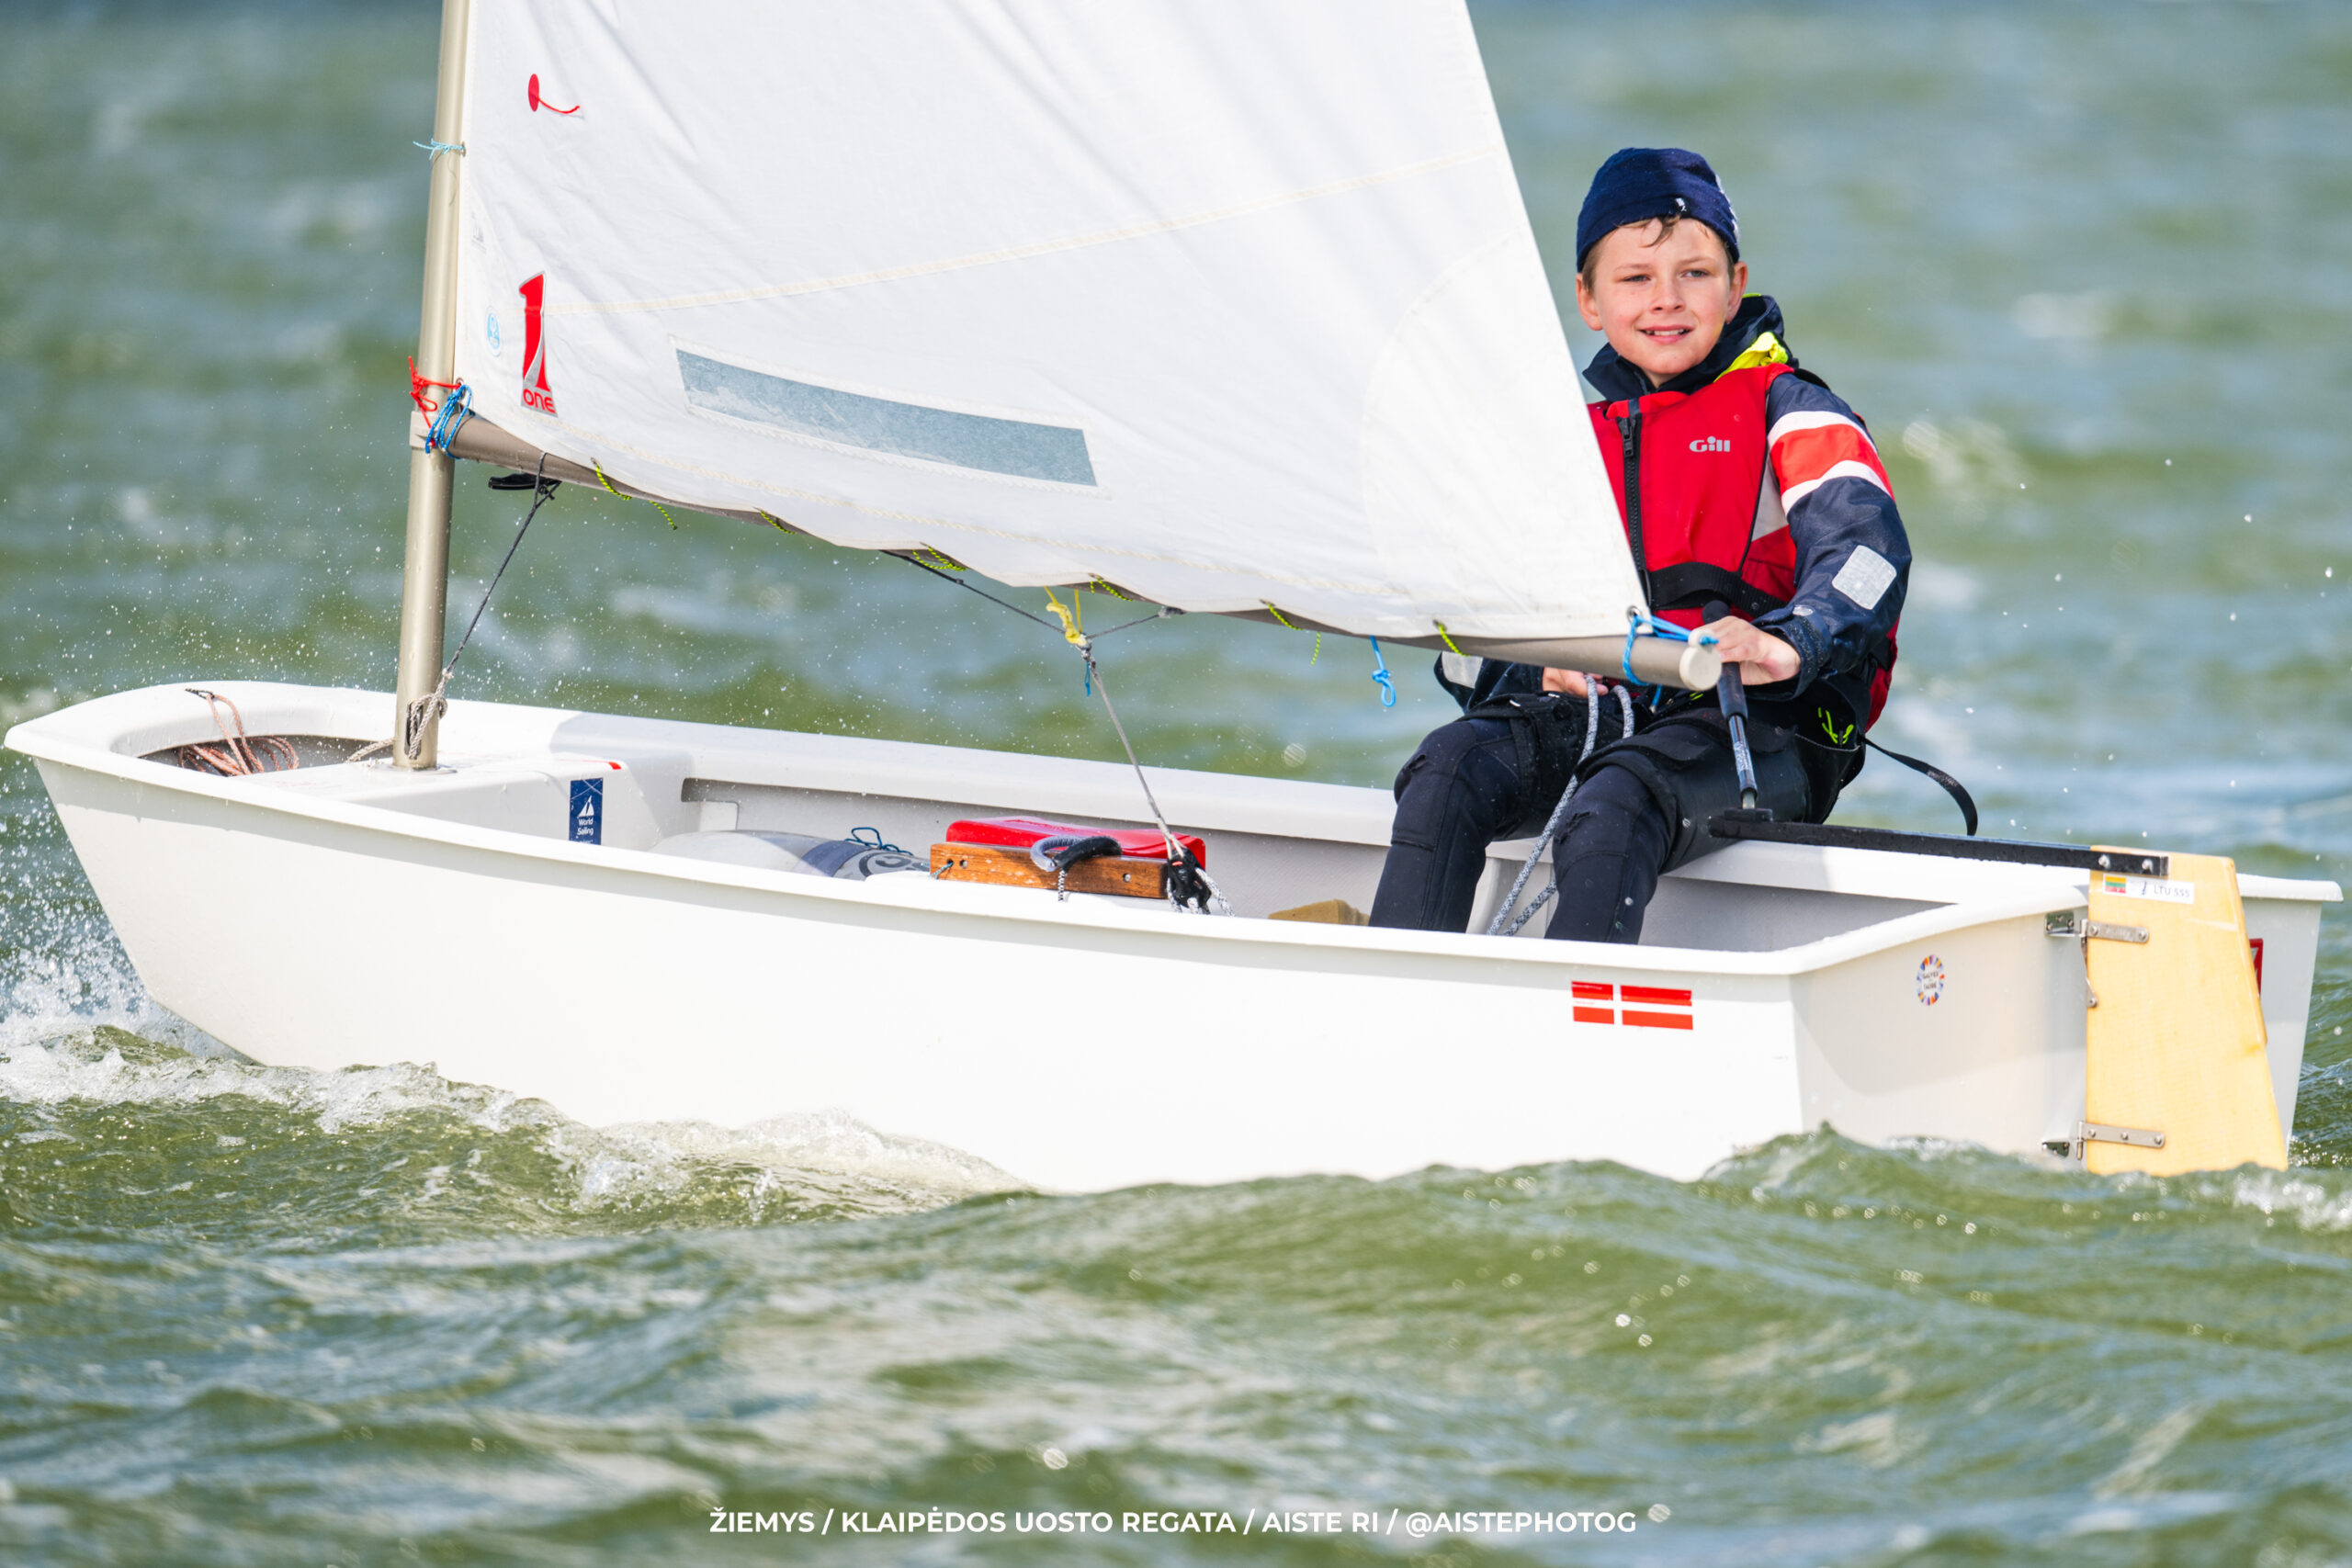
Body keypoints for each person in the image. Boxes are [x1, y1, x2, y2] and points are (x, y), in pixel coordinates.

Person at [1368, 147, 1909, 942]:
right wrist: (1533, 666)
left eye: (1695, 273)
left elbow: (1869, 560)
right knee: (1447, 769)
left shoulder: (1795, 413)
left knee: (1614, 804)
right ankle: (1397, 994)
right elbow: (1473, 626)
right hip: (1612, 711)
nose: (1667, 299)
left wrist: (1790, 640)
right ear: (1588, 300)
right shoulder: (1566, 446)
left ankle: (1575, 1015)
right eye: (1635, 278)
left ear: (1735, 284)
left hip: (1767, 727)